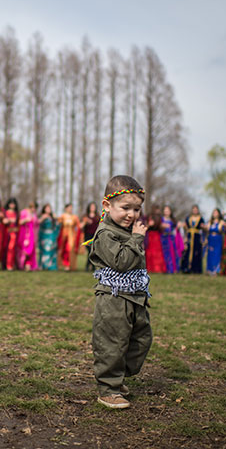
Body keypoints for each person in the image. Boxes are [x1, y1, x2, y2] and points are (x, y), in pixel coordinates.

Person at [87, 175, 151, 410]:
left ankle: (118, 376)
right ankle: (108, 388)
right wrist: (136, 239)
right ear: (107, 205)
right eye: (126, 208)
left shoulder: (129, 231)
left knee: (142, 339)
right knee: (112, 343)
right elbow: (121, 262)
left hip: (136, 296)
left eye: (137, 209)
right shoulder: (105, 234)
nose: (132, 215)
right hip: (113, 298)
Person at [180, 205, 205, 274]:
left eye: (196, 209)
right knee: (187, 251)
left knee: (196, 252)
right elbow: (185, 228)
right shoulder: (188, 218)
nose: (195, 210)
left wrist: (203, 227)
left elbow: (203, 228)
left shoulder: (201, 218)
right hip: (189, 236)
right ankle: (186, 268)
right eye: (193, 209)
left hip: (196, 237)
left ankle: (195, 269)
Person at [57, 203, 80, 271]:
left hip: (71, 237)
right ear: (66, 208)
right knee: (64, 250)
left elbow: (78, 226)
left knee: (70, 250)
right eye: (69, 208)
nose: (70, 209)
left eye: (71, 208)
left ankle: (70, 265)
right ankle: (64, 265)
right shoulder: (63, 216)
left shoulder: (75, 217)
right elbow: (58, 224)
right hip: (64, 236)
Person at [16, 201, 38, 271]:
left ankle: (29, 264)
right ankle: (22, 264)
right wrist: (25, 220)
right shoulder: (24, 212)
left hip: (32, 235)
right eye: (32, 207)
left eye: (35, 208)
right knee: (24, 249)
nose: (33, 209)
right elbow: (19, 222)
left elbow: (36, 224)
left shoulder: (34, 214)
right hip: (24, 233)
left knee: (31, 250)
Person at [145, 205, 166, 274]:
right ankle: (150, 268)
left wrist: (162, 226)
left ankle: (158, 268)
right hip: (150, 235)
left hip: (157, 236)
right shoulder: (149, 216)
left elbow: (161, 228)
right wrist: (149, 225)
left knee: (158, 253)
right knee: (150, 252)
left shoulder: (160, 218)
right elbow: (146, 227)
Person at [38, 204, 60, 270]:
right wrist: (42, 218)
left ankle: (50, 266)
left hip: (52, 235)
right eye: (47, 208)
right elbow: (38, 223)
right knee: (45, 250)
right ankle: (44, 265)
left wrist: (56, 219)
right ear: (44, 209)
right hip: (44, 235)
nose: (48, 210)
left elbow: (57, 225)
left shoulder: (52, 217)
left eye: (49, 208)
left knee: (52, 250)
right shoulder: (42, 216)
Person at [160, 205, 181, 274]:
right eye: (165, 210)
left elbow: (176, 229)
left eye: (168, 211)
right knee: (165, 254)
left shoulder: (173, 220)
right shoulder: (161, 219)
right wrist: (162, 225)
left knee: (172, 253)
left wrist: (178, 226)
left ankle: (173, 269)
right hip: (163, 238)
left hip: (171, 239)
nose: (166, 212)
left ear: (170, 212)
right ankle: (166, 269)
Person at [81, 202, 100, 272]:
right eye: (91, 206)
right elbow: (81, 226)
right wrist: (85, 221)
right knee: (89, 251)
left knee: (93, 251)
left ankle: (90, 266)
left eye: (94, 206)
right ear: (89, 208)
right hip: (87, 236)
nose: (92, 208)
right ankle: (90, 265)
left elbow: (100, 225)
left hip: (95, 236)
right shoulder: (85, 216)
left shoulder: (98, 216)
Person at [206, 208, 225, 275]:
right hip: (211, 239)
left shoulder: (221, 222)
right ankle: (209, 269)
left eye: (216, 212)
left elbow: (222, 230)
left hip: (218, 239)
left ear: (219, 214)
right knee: (210, 254)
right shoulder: (210, 222)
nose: (215, 214)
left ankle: (216, 270)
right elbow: (207, 230)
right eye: (214, 212)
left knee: (217, 254)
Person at [2, 198, 19, 271]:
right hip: (6, 233)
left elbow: (18, 223)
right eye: (11, 203)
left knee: (12, 249)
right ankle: (6, 264)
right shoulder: (5, 212)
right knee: (6, 248)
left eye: (13, 203)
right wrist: (8, 220)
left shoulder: (17, 213)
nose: (12, 205)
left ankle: (11, 265)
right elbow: (4, 221)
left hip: (14, 234)